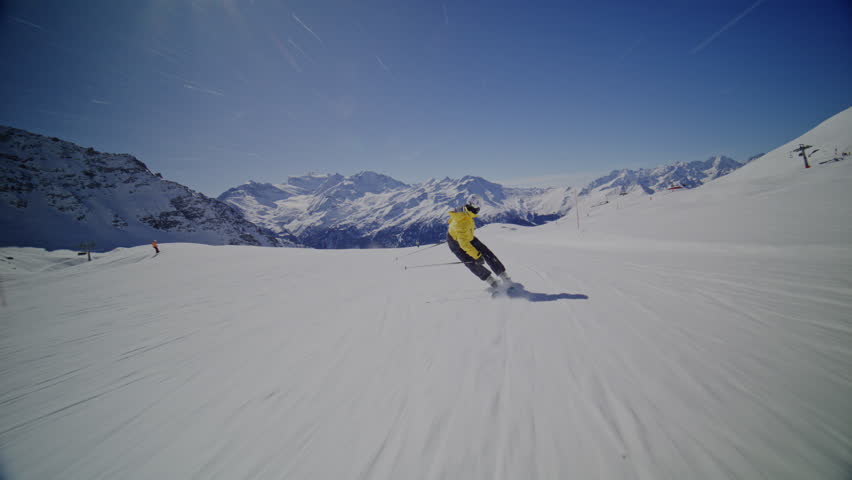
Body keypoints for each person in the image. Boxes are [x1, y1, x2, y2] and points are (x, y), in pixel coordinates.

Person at [447, 194, 510, 289]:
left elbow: (453, 220)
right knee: (471, 261)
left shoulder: (466, 212)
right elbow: (463, 244)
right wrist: (477, 256)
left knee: (486, 252)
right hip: (456, 243)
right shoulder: (463, 221)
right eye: (479, 206)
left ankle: (503, 276)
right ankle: (492, 281)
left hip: (466, 236)